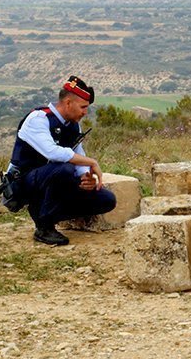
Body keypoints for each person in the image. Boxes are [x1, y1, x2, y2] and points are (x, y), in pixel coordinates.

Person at [9, 76, 117, 245]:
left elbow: (78, 154)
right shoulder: (38, 119)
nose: (85, 112)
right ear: (68, 103)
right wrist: (92, 162)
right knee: (64, 168)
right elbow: (53, 153)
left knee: (106, 200)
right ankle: (44, 227)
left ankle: (46, 213)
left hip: (55, 180)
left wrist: (85, 177)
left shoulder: (73, 126)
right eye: (83, 107)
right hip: (24, 183)